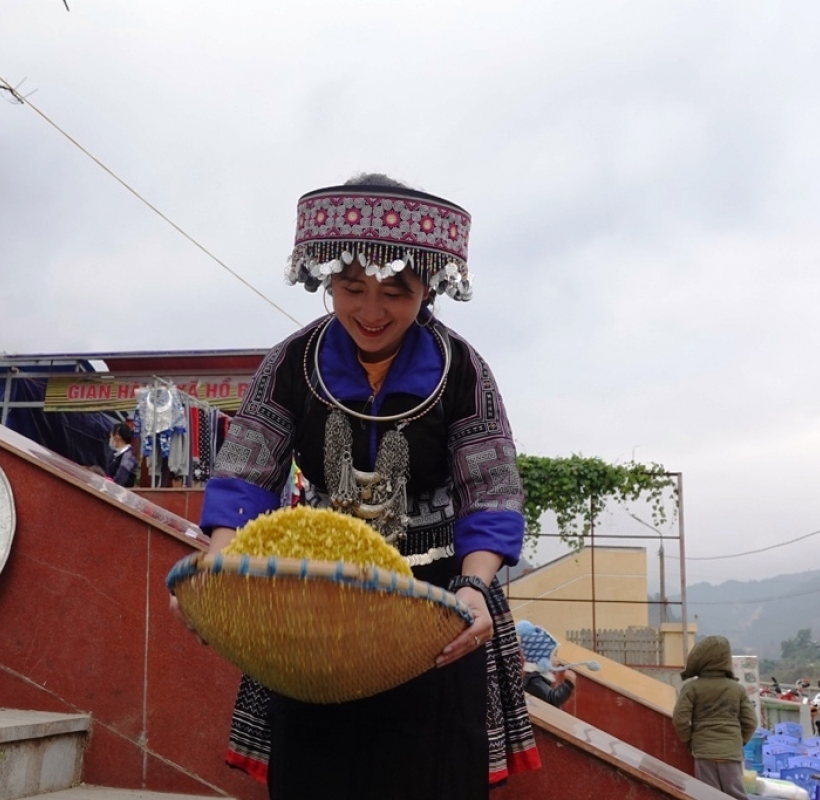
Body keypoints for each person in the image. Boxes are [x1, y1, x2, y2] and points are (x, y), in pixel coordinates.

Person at [190, 174, 537, 800]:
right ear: (327, 283)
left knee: (431, 769)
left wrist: (477, 586)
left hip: (441, 601)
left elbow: (490, 490)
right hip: (318, 595)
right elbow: (245, 470)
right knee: (318, 764)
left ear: (428, 289)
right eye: (352, 289)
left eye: (395, 294)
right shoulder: (291, 364)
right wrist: (221, 562)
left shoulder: (463, 372)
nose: (371, 312)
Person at [672, 635, 757, 800]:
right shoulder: (737, 689)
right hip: (731, 753)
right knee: (736, 796)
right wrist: (738, 741)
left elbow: (680, 719)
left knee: (707, 796)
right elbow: (751, 722)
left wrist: (690, 742)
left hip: (704, 752)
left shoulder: (691, 688)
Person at [108, 422, 139, 488]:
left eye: (110, 436)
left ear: (117, 438)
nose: (110, 439)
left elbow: (120, 478)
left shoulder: (129, 456)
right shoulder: (115, 454)